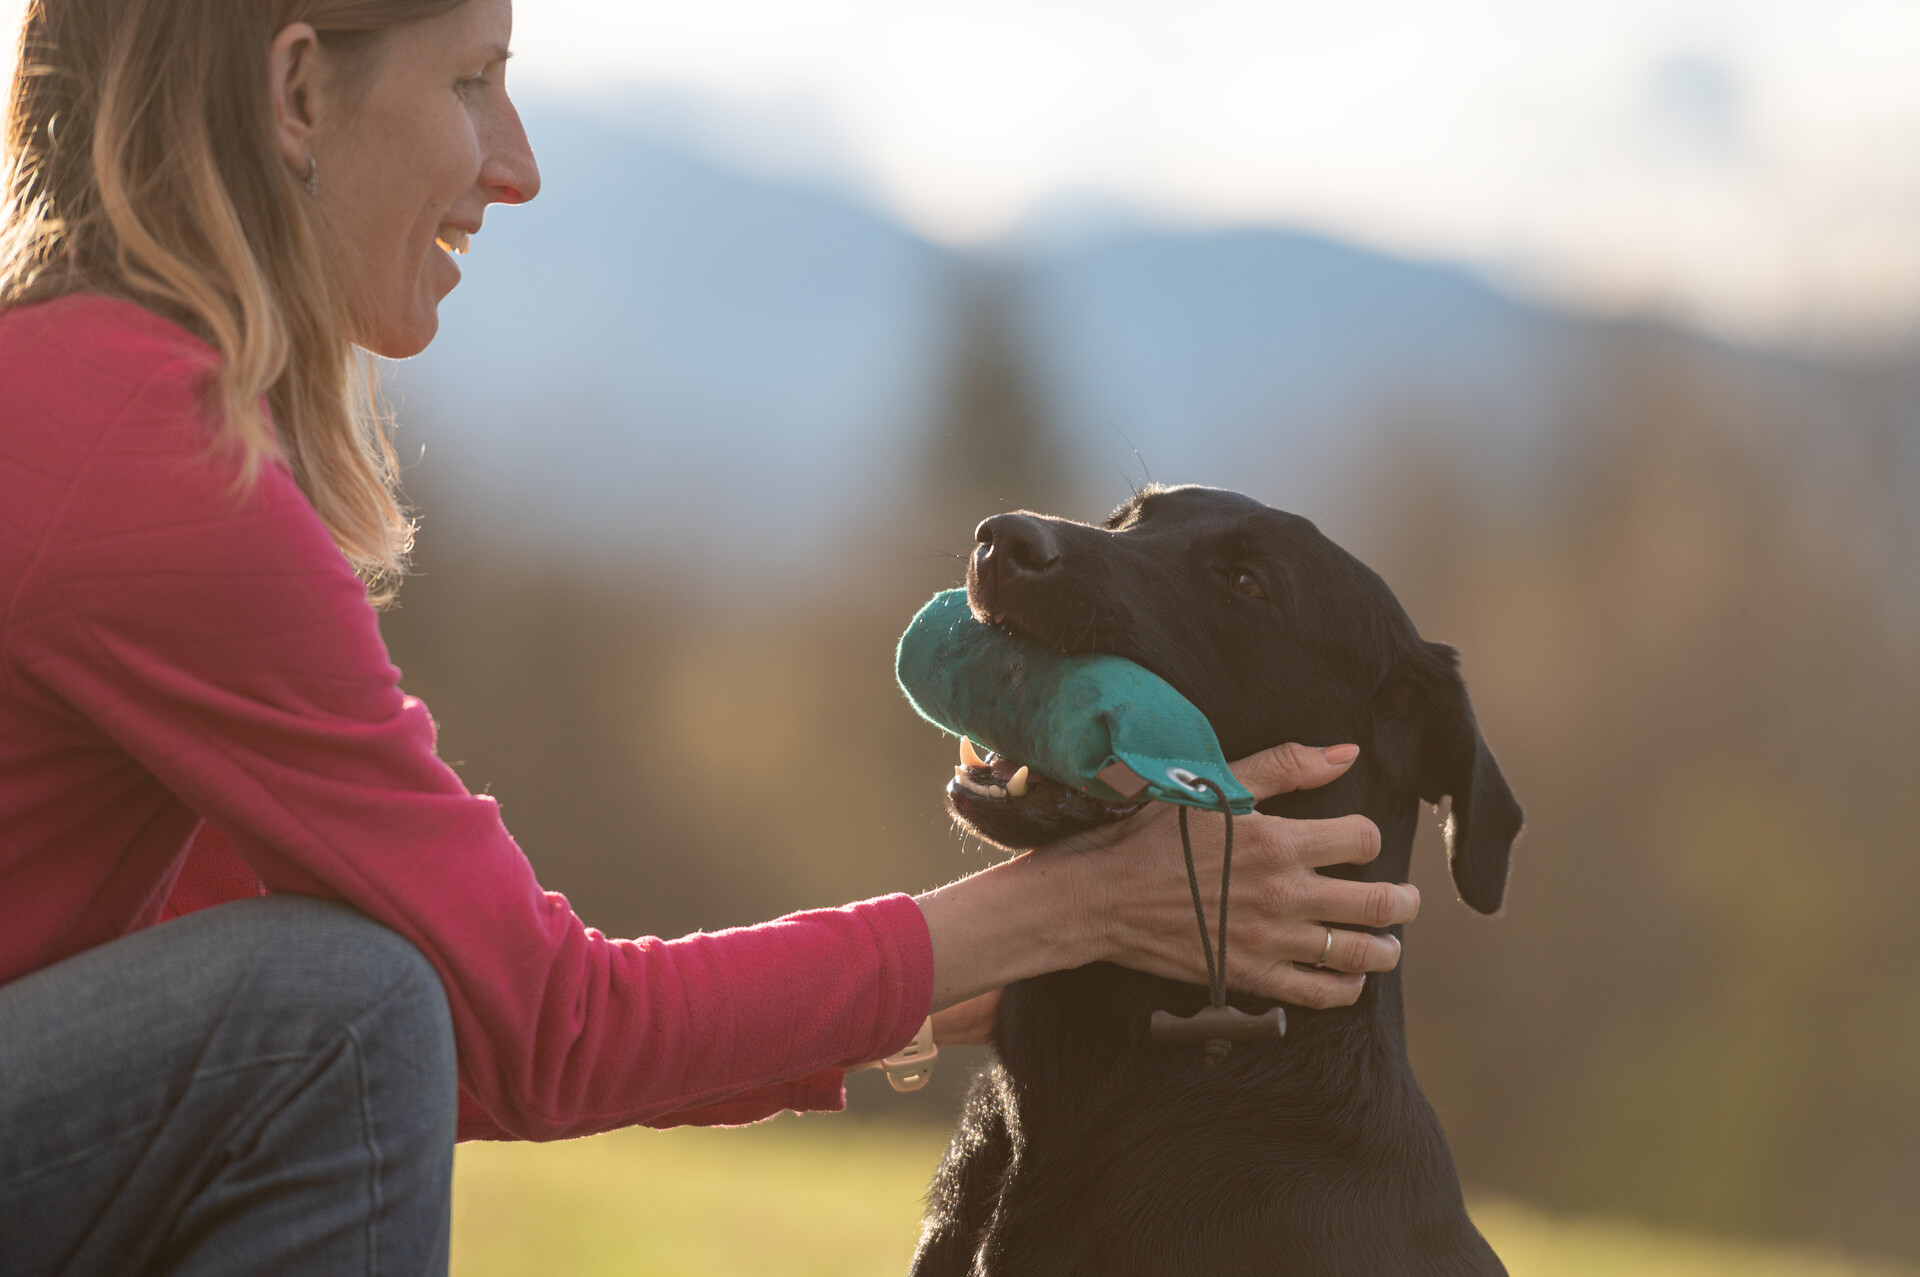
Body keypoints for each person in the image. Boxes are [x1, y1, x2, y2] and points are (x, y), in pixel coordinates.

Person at [0, 0, 1422, 1272]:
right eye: (473, 82)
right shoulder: (159, 468)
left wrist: (974, 972)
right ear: (298, 91)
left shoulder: (89, 403)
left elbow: (478, 1035)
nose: (518, 160)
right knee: (329, 1005)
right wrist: (1074, 909)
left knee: (357, 1004)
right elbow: (543, 1026)